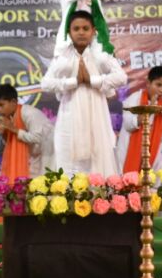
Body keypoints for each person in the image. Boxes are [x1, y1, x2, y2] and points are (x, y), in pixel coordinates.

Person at [41, 10, 127, 175]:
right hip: (69, 116)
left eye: (85, 28)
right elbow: (45, 83)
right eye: (76, 29)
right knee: (67, 161)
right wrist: (73, 82)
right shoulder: (62, 57)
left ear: (93, 31)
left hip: (97, 116)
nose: (81, 32)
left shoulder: (101, 55)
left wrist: (93, 80)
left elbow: (121, 77)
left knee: (98, 160)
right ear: (69, 32)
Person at [116, 66, 162, 173]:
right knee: (128, 181)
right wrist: (150, 108)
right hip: (129, 153)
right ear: (148, 83)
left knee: (157, 180)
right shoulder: (133, 100)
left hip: (154, 155)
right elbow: (129, 125)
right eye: (158, 85)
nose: (161, 90)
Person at [0, 83, 53, 179]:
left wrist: (13, 129)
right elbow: (11, 143)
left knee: (46, 183)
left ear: (13, 101)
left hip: (48, 155)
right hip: (33, 158)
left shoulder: (29, 113)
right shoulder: (10, 117)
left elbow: (37, 138)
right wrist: (3, 132)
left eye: (1, 105)